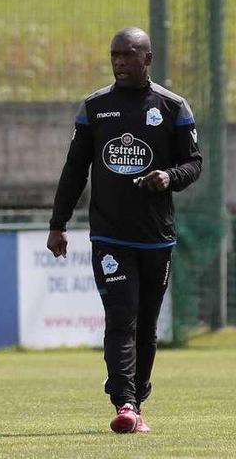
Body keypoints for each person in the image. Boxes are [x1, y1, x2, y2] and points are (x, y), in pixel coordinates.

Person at [48, 27, 201, 434]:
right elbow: (74, 170)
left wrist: (169, 177)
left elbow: (194, 163)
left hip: (157, 237)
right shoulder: (96, 108)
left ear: (147, 59)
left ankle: (137, 395)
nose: (118, 62)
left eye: (127, 55)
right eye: (114, 54)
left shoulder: (172, 107)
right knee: (121, 316)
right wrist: (57, 224)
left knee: (147, 325)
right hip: (110, 236)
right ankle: (125, 402)